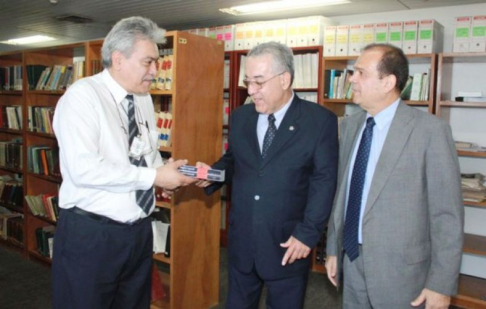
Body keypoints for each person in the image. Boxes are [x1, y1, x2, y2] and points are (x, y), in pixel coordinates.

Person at [52, 16, 196, 309]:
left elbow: (146, 153)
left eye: (156, 62)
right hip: (92, 234)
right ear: (118, 60)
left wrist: (170, 174)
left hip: (137, 232)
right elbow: (84, 170)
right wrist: (153, 178)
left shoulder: (141, 99)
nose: (155, 71)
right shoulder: (81, 98)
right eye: (148, 62)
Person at [197, 42, 338, 308]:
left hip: (288, 244)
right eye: (248, 81)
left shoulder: (319, 122)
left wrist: (308, 234)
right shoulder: (241, 117)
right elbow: (233, 160)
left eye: (259, 82)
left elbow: (324, 182)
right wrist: (213, 174)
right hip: (243, 241)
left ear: (284, 79)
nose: (251, 91)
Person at [325, 43, 464, 308]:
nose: (352, 79)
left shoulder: (430, 131)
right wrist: (333, 248)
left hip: (402, 273)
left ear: (388, 82)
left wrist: (440, 284)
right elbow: (342, 193)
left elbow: (447, 216)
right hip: (351, 260)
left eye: (361, 73)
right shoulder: (351, 125)